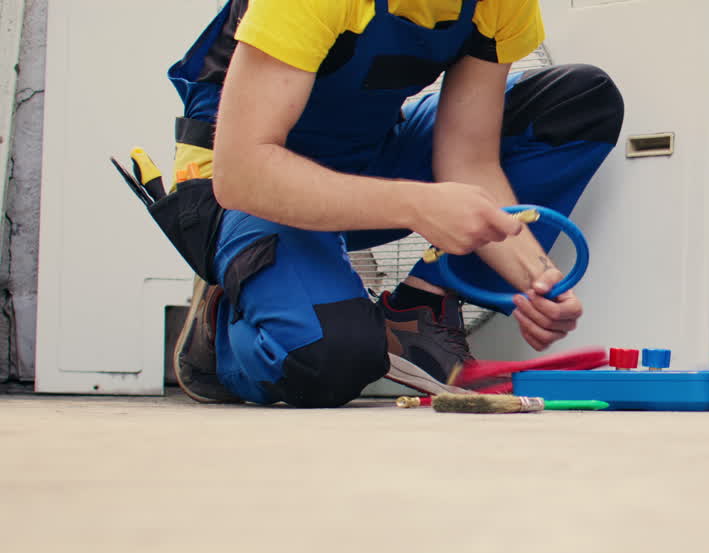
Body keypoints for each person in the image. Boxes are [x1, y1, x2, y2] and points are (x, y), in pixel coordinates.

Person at [162, 0, 624, 407]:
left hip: (365, 160)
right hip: (242, 188)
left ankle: (419, 312)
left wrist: (534, 279)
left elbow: (469, 160)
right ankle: (220, 333)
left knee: (580, 104)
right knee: (331, 360)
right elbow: (241, 173)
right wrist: (416, 205)